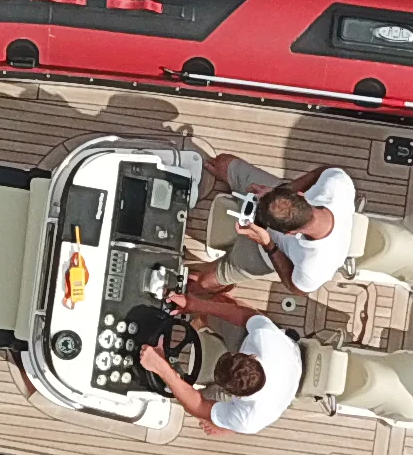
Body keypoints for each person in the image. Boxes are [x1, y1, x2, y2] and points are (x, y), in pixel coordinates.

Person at [136, 289, 303, 434]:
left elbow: (199, 406)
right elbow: (245, 315)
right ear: (252, 356)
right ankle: (204, 318)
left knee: (192, 403)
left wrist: (161, 367)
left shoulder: (249, 417)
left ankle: (225, 424)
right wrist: (194, 304)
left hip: (274, 398)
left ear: (235, 396)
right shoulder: (265, 338)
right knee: (220, 304)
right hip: (288, 356)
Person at [208, 155, 363, 298]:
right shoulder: (336, 182)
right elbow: (322, 172)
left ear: (290, 233)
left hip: (268, 253)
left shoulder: (314, 267)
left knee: (204, 281)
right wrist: (281, 191)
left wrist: (268, 245)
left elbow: (295, 287)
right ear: (300, 195)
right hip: (277, 195)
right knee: (223, 163)